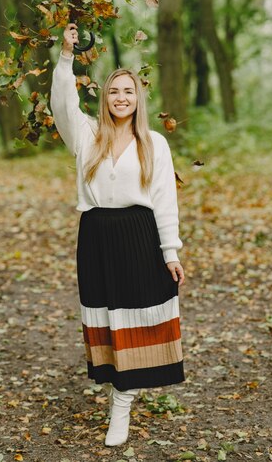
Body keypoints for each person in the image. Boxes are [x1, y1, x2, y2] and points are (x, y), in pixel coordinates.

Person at [50, 24, 185, 447]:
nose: (121, 98)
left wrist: (171, 251)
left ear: (137, 98)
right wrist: (67, 55)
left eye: (128, 91)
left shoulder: (154, 143)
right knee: (108, 318)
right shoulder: (87, 134)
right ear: (104, 98)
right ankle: (118, 395)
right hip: (96, 235)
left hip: (139, 234)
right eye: (113, 92)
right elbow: (62, 105)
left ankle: (121, 408)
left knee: (136, 316)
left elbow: (165, 200)